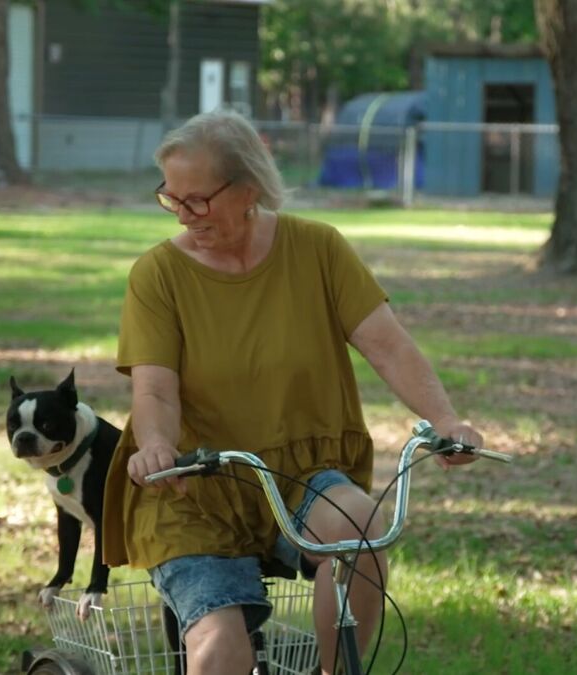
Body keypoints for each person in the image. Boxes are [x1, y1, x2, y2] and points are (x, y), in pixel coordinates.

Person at [101, 108, 484, 675]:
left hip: (301, 469)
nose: (183, 215)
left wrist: (446, 420)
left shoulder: (317, 249)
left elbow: (388, 345)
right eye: (171, 199)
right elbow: (155, 391)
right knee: (221, 651)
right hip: (195, 486)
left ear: (249, 188)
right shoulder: (158, 275)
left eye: (197, 200)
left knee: (360, 526)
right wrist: (156, 446)